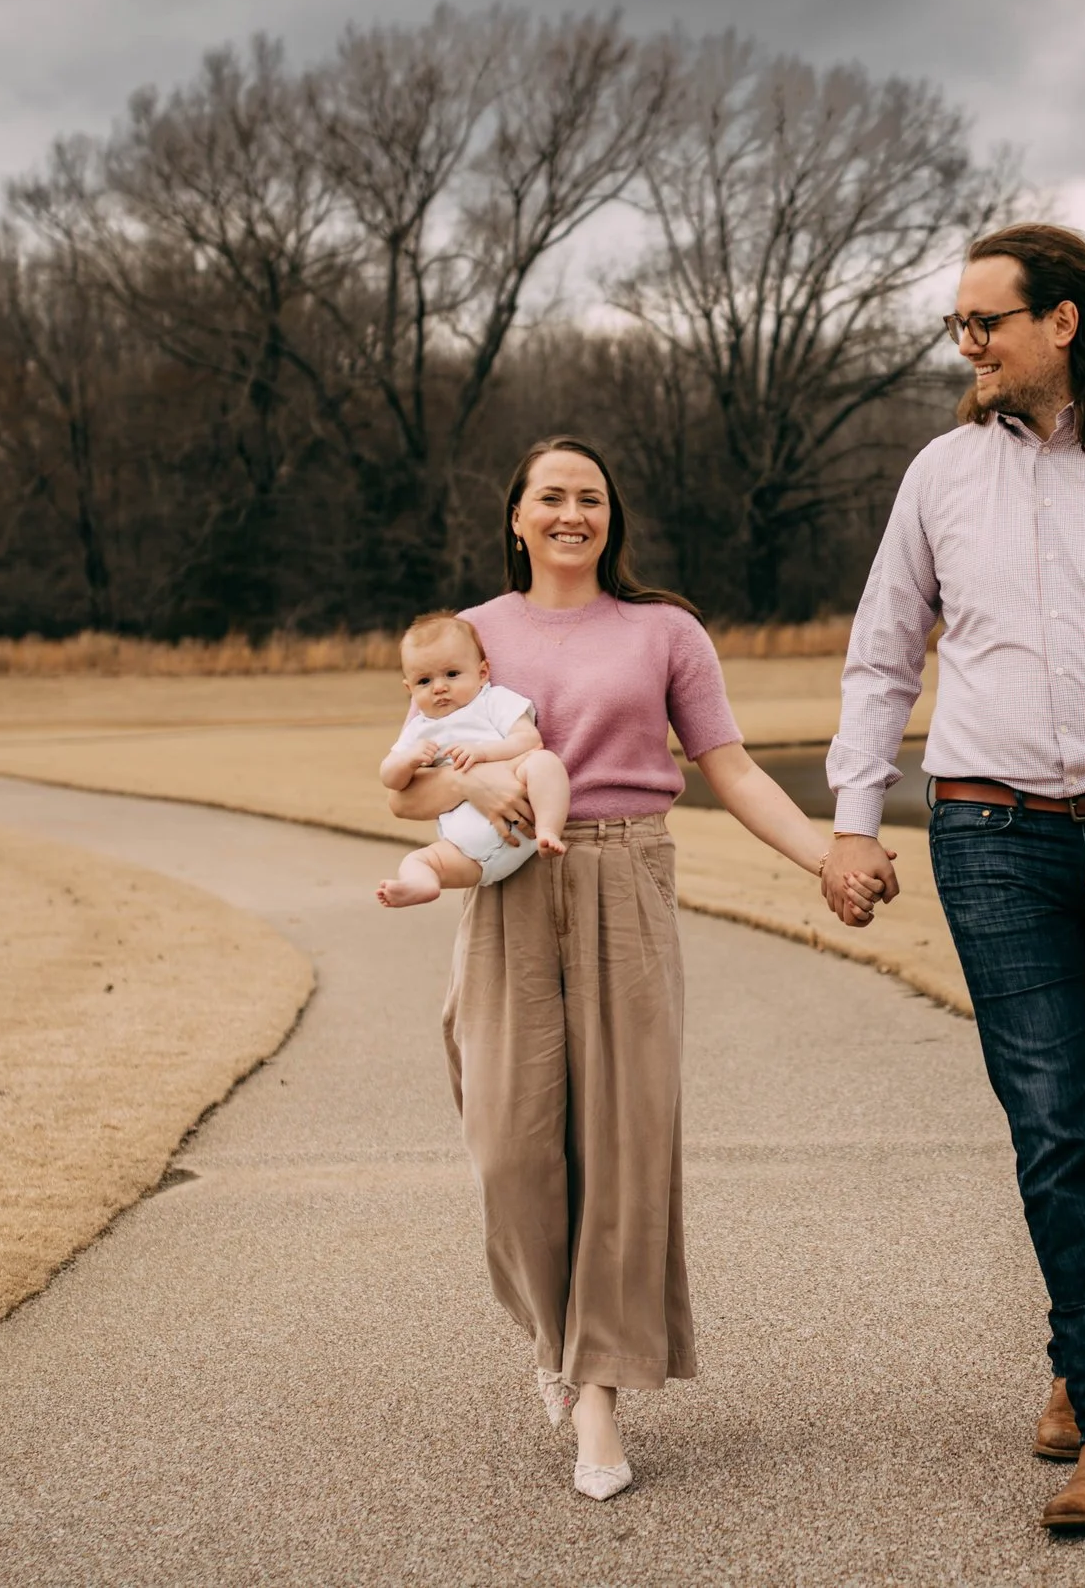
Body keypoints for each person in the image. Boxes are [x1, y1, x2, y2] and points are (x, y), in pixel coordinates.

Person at [821, 223, 1085, 1529]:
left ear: (1062, 323)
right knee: (1055, 1113)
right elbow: (882, 653)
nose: (969, 345)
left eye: (985, 321)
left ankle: (1078, 1351)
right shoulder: (942, 476)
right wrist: (854, 816)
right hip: (988, 831)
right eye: (958, 326)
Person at [390, 434, 881, 1502]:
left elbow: (731, 769)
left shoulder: (665, 630)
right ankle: (550, 1333)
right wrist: (481, 793)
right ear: (516, 514)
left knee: (620, 1145)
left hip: (625, 881)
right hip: (508, 885)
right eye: (552, 496)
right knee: (510, 1144)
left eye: (592, 497)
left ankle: (597, 1395)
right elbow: (408, 788)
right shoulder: (469, 635)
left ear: (611, 517)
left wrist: (825, 854)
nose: (573, 512)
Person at [374, 611, 570, 908]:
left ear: (482, 673)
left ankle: (548, 831)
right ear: (410, 690)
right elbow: (390, 779)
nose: (439, 687)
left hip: (523, 815)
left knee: (544, 762)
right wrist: (409, 760)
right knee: (419, 859)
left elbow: (529, 739)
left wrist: (482, 753)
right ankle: (421, 884)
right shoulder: (420, 729)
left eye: (452, 674)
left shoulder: (491, 701)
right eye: (424, 681)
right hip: (467, 852)